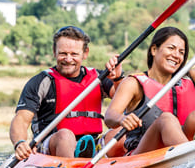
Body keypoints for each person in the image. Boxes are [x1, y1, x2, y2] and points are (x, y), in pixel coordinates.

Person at [104, 24, 195, 155]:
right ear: (154, 50)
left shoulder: (189, 79)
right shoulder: (133, 83)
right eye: (171, 48)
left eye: (181, 52)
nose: (176, 55)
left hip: (180, 148)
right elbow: (109, 117)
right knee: (166, 119)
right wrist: (121, 119)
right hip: (143, 153)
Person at [10, 25, 124, 159]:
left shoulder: (98, 78)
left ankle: (113, 165)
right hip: (53, 144)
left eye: (74, 54)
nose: (68, 59)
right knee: (65, 136)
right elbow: (21, 119)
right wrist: (20, 142)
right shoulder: (41, 82)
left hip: (92, 143)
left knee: (122, 133)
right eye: (63, 53)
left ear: (85, 53)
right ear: (54, 51)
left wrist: (117, 79)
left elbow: (124, 99)